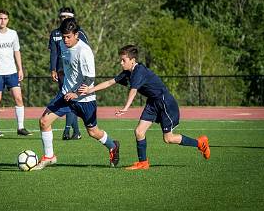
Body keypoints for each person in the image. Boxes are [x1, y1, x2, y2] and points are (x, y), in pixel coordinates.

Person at [79, 44, 210, 170]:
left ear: (132, 60)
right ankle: (143, 163)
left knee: (168, 138)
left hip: (164, 102)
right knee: (139, 132)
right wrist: (90, 90)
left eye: (123, 60)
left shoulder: (139, 71)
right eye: (120, 60)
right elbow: (109, 82)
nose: (121, 63)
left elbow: (133, 90)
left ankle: (200, 143)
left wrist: (126, 108)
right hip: (153, 102)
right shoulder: (127, 72)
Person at [33, 18, 120, 170]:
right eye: (63, 36)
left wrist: (75, 94)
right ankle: (49, 156)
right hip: (66, 94)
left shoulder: (84, 51)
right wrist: (60, 72)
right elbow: (67, 65)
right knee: (44, 121)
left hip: (85, 99)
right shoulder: (61, 43)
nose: (65, 40)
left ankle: (113, 146)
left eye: (69, 36)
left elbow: (89, 79)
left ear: (77, 35)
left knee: (93, 132)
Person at [0, 9, 32, 137]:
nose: (2, 21)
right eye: (0, 18)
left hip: (12, 72)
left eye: (5, 18)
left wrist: (20, 69)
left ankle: (20, 128)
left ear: (8, 20)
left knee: (19, 98)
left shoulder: (13, 34)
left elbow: (17, 51)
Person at [49, 7, 88, 140]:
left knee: (70, 100)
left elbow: (85, 52)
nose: (63, 19)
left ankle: (68, 130)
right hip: (61, 71)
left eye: (66, 16)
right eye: (61, 17)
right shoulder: (55, 33)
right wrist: (53, 69)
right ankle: (76, 132)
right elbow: (54, 53)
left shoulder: (80, 33)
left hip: (75, 73)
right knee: (68, 100)